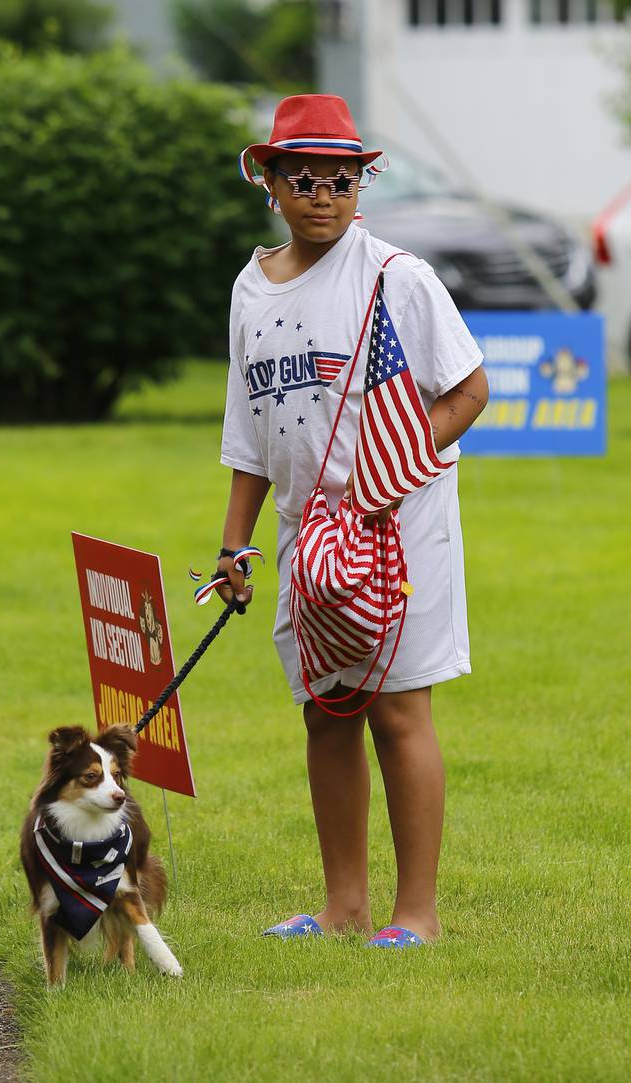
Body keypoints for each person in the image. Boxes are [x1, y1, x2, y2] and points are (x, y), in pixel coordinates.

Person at [216, 94, 489, 947]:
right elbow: (248, 436)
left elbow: (469, 389)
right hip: (309, 543)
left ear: (361, 183)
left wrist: (389, 466)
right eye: (304, 177)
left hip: (396, 532)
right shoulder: (250, 290)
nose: (325, 194)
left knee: (399, 711)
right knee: (325, 711)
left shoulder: (397, 277)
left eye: (344, 178)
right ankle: (342, 906)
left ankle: (417, 914)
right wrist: (236, 543)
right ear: (267, 181)